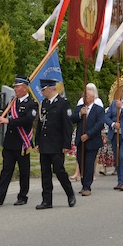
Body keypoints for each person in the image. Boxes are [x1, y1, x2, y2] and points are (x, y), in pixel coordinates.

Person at [0, 75, 37, 206]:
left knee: (24, 171)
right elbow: (3, 111)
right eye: (15, 87)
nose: (15, 89)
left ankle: (22, 196)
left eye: (17, 87)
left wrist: (8, 121)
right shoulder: (13, 101)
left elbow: (27, 120)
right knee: (6, 170)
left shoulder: (32, 104)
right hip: (10, 142)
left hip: (22, 143)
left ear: (25, 88)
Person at [34, 79, 75, 209]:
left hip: (57, 144)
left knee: (59, 171)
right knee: (45, 172)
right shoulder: (44, 103)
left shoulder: (63, 104)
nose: (42, 92)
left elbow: (68, 126)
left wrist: (66, 145)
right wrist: (37, 141)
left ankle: (70, 194)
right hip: (45, 143)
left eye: (43, 89)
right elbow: (40, 124)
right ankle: (47, 200)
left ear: (50, 89)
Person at [70, 83, 105, 196]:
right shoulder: (80, 108)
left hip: (92, 141)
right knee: (81, 163)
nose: (84, 98)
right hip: (80, 141)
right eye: (84, 96)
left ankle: (87, 186)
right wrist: (80, 114)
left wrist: (88, 135)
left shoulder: (98, 109)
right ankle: (83, 183)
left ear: (93, 97)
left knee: (89, 164)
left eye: (87, 96)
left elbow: (100, 124)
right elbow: (72, 119)